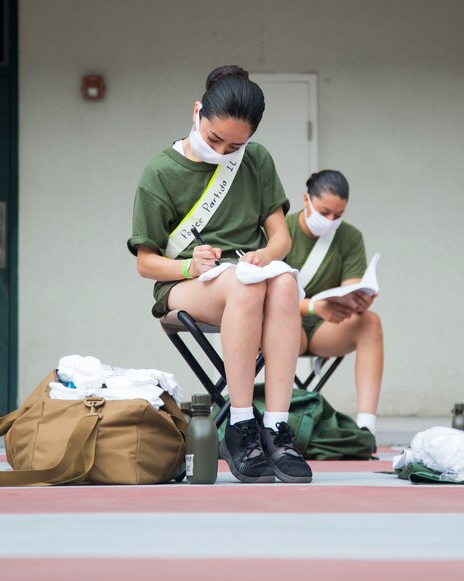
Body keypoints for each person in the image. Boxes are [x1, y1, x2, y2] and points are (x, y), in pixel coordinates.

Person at [128, 65, 311, 484]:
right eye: (215, 139)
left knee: (284, 282)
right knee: (244, 287)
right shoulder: (160, 172)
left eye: (236, 145)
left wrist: (265, 255)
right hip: (184, 285)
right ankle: (241, 424)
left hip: (248, 273)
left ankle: (278, 428)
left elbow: (281, 237)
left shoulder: (258, 159)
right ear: (197, 113)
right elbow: (145, 262)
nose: (225, 151)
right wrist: (191, 265)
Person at [283, 170, 383, 436]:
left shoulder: (350, 237)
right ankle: (276, 422)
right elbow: (268, 295)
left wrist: (360, 301)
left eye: (338, 215)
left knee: (370, 323)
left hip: (327, 327)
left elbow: (350, 289)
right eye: (324, 212)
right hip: (285, 322)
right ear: (306, 200)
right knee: (280, 318)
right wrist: (314, 307)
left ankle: (366, 426)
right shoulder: (283, 230)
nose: (330, 221)